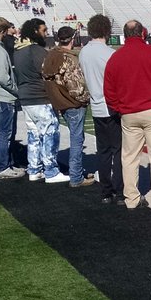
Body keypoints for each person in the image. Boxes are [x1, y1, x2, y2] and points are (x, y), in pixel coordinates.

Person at [103, 19, 151, 211]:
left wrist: (119, 109)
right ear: (143, 33)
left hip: (129, 113)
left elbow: (109, 91)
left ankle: (131, 198)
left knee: (129, 157)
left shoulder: (116, 58)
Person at [14, 18, 69, 183]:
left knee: (34, 135)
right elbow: (48, 74)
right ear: (35, 31)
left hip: (26, 98)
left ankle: (34, 168)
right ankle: (51, 171)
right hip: (40, 97)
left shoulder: (18, 51)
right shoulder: (36, 51)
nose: (46, 34)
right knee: (50, 132)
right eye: (44, 30)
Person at [42, 26, 95, 188]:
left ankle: (76, 171)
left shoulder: (50, 55)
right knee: (77, 140)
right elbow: (77, 87)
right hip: (73, 103)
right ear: (72, 39)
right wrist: (85, 99)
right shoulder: (68, 57)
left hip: (60, 101)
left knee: (75, 138)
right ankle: (76, 176)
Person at [79, 13, 124, 203]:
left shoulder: (84, 52)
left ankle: (106, 191)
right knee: (119, 151)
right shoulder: (110, 54)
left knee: (103, 151)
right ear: (106, 31)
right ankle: (120, 191)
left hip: (96, 106)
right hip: (111, 106)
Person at [0, 16, 23, 179]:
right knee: (3, 133)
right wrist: (16, 90)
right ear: (2, 31)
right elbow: (3, 77)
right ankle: (2, 167)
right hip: (2, 96)